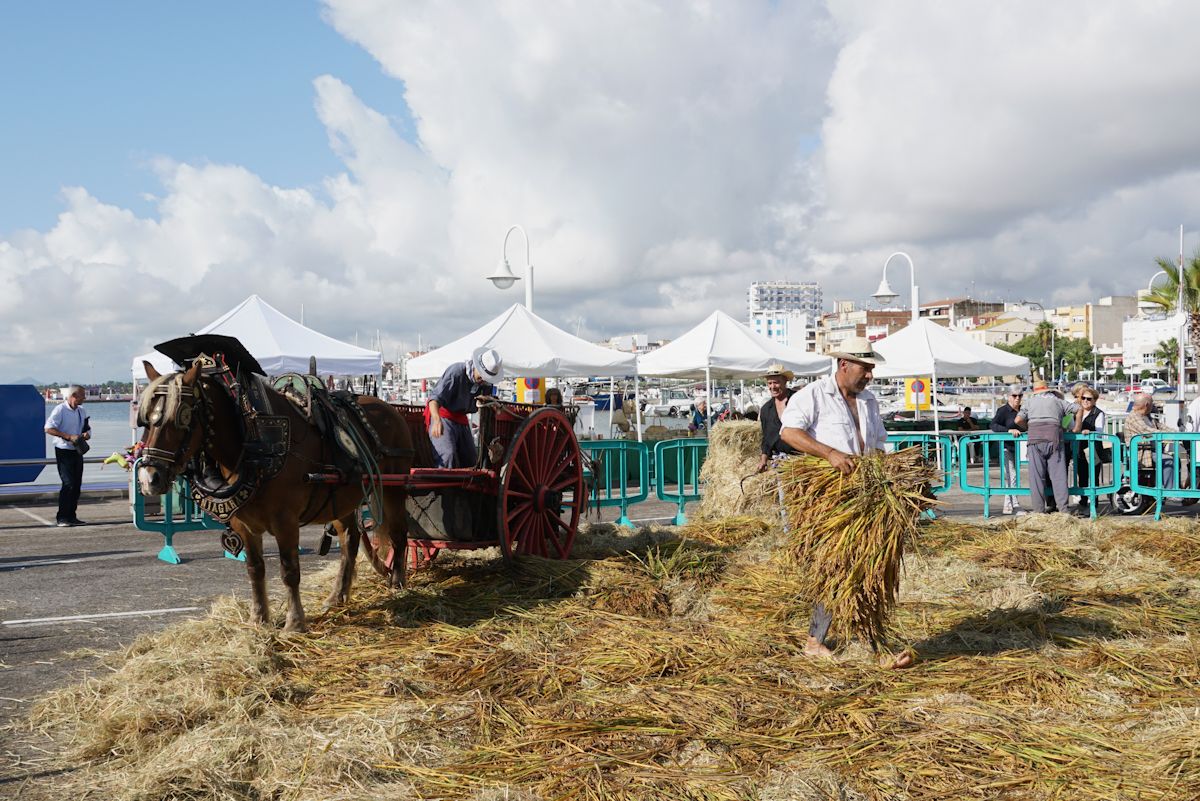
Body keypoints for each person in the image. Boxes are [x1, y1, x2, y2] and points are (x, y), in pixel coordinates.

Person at [779, 337, 912, 669]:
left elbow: (879, 444)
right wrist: (829, 453)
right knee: (836, 567)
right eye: (865, 369)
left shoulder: (869, 401)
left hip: (867, 495)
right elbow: (789, 433)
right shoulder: (813, 395)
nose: (869, 376)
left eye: (871, 370)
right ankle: (816, 641)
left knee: (872, 566)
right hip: (830, 497)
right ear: (844, 365)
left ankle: (874, 645)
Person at [426, 347, 502, 468]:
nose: (483, 380)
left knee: (471, 459)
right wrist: (436, 420)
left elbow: (486, 402)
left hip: (461, 420)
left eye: (486, 378)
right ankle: (443, 486)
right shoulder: (456, 372)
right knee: (447, 455)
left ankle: (464, 486)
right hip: (443, 417)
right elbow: (434, 399)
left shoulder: (486, 383)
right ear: (476, 366)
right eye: (481, 376)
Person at [1015, 379, 1081, 514]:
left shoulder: (1029, 402)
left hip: (1034, 440)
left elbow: (1018, 420)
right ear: (1049, 390)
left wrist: (1028, 428)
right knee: (1059, 477)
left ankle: (1038, 511)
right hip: (1054, 439)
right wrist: (1076, 428)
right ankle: (1063, 510)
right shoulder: (1057, 401)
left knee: (1036, 478)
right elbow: (1078, 409)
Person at [44, 385, 90, 527]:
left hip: (77, 450)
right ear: (74, 396)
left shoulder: (82, 411)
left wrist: (86, 434)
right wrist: (68, 436)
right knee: (68, 483)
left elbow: (87, 428)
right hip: (63, 450)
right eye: (82, 395)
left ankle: (72, 516)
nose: (85, 398)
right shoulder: (60, 409)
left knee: (77, 485)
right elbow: (48, 428)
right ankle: (62, 517)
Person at [1124, 393, 1179, 497]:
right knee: (1168, 461)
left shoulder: (1147, 416)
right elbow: (1148, 431)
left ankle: (1174, 487)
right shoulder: (1134, 417)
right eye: (1152, 403)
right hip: (1142, 453)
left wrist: (1178, 434)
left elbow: (1161, 427)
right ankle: (1170, 493)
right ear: (1147, 404)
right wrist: (1168, 435)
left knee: (1176, 459)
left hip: (1152, 451)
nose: (1153, 405)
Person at [989, 385, 1026, 515]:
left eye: (1020, 396)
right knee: (1011, 476)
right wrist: (1008, 430)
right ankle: (1014, 504)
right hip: (1006, 447)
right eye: (1014, 396)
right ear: (1009, 396)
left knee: (1012, 477)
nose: (1017, 398)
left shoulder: (1023, 410)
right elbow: (993, 425)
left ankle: (1008, 505)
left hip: (1019, 449)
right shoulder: (1003, 411)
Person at [1071, 386, 1107, 515]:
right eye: (1083, 398)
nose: (1085, 401)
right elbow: (1066, 424)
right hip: (1079, 448)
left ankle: (1094, 504)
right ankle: (1083, 502)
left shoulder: (1098, 413)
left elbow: (1099, 431)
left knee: (1094, 476)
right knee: (1082, 476)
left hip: (1093, 450)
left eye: (1089, 399)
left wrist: (1089, 431)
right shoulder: (1075, 411)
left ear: (1094, 400)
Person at [756, 364, 798, 473]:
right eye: (770, 383)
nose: (772, 387)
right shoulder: (766, 409)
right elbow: (766, 439)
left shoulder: (798, 400)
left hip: (802, 459)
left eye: (776, 382)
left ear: (785, 381)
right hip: (780, 463)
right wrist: (763, 460)